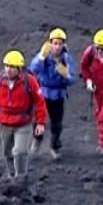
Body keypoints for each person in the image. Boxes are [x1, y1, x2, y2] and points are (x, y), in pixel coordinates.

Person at [0, 49, 46, 180]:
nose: (8, 69)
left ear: (19, 68)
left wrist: (40, 122)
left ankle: (20, 176)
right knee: (7, 152)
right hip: (4, 124)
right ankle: (12, 175)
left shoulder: (30, 81)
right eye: (7, 66)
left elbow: (40, 102)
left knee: (20, 151)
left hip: (23, 123)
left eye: (12, 67)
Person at [29, 27, 75, 159]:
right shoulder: (44, 56)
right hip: (43, 94)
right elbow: (33, 70)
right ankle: (37, 141)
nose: (57, 46)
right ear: (50, 43)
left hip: (58, 95)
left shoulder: (66, 59)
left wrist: (66, 75)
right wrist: (41, 57)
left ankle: (54, 147)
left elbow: (72, 79)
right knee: (38, 121)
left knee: (57, 124)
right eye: (55, 43)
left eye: (60, 43)